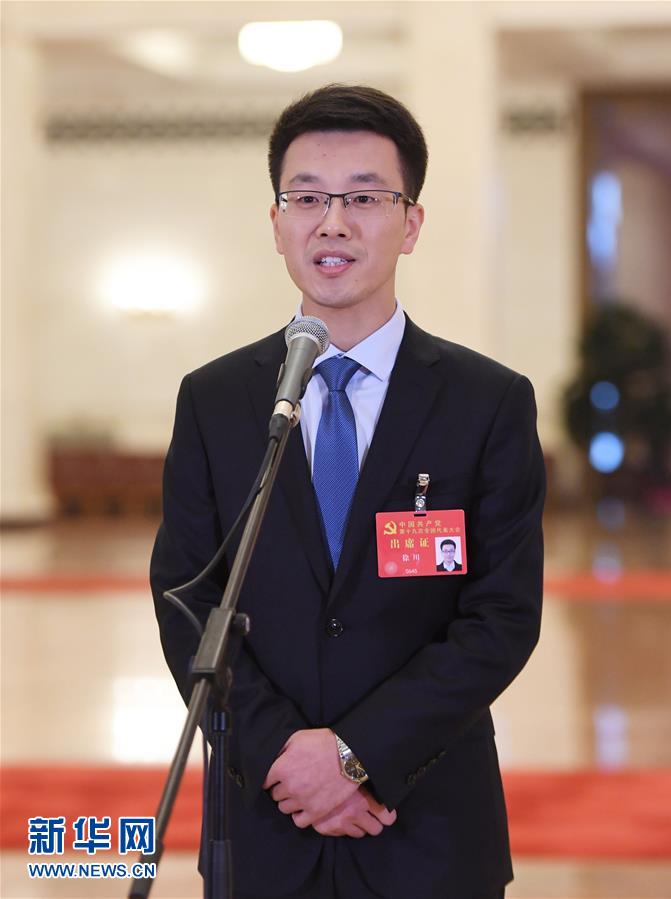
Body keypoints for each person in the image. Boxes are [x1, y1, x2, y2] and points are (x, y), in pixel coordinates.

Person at [151, 83, 546, 899]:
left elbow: (502, 616)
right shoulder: (216, 399)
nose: (332, 222)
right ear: (276, 224)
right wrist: (283, 755)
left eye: (364, 197)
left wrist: (358, 755)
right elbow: (187, 599)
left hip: (428, 824)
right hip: (267, 819)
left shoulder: (487, 401)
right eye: (307, 198)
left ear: (412, 222)